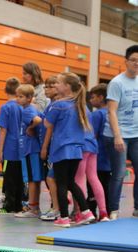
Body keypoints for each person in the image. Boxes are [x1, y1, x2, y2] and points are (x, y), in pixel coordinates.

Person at [43, 72, 96, 227]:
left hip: (62, 149)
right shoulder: (82, 106)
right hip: (77, 150)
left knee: (61, 183)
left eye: (58, 83)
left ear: (66, 86)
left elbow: (47, 124)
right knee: (71, 182)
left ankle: (64, 218)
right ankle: (86, 212)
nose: (55, 85)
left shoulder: (59, 105)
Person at [102, 45, 138, 219]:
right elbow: (112, 111)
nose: (137, 63)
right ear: (126, 62)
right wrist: (117, 136)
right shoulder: (117, 83)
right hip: (119, 134)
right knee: (119, 173)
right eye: (133, 60)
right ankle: (113, 210)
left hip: (136, 134)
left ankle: (137, 208)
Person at [14, 84, 44, 218]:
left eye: (21, 97)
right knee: (34, 179)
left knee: (32, 179)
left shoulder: (28, 110)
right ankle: (34, 205)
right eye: (17, 96)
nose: (17, 99)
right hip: (31, 149)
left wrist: (31, 128)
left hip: (30, 149)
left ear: (29, 98)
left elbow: (38, 120)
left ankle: (33, 208)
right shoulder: (29, 109)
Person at [0, 77, 23, 214]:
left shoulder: (6, 107)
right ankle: (18, 204)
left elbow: (3, 129)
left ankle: (9, 205)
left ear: (5, 90)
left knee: (10, 178)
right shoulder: (22, 106)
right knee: (19, 177)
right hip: (22, 147)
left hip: (10, 148)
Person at [87, 83, 111, 217]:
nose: (91, 100)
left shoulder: (96, 115)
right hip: (108, 158)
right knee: (106, 185)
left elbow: (92, 135)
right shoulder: (111, 112)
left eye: (93, 97)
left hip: (97, 155)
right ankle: (107, 210)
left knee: (93, 184)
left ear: (101, 97)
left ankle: (91, 210)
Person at [40, 75, 61, 221]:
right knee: (49, 178)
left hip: (55, 147)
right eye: (45, 87)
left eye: (50, 86)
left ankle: (57, 208)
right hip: (51, 146)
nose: (46, 90)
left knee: (52, 178)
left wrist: (45, 147)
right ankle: (56, 205)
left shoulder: (57, 105)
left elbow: (50, 128)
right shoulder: (50, 104)